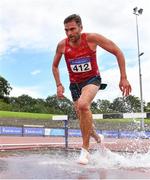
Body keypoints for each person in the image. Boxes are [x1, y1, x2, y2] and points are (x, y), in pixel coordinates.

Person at [52, 14, 132, 165]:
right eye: (66, 30)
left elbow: (117, 51)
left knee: (83, 105)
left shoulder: (92, 39)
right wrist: (58, 84)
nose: (69, 33)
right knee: (82, 116)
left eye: (72, 29)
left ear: (81, 28)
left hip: (92, 80)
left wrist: (123, 77)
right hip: (74, 84)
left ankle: (85, 151)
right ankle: (96, 137)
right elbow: (54, 66)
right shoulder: (62, 45)